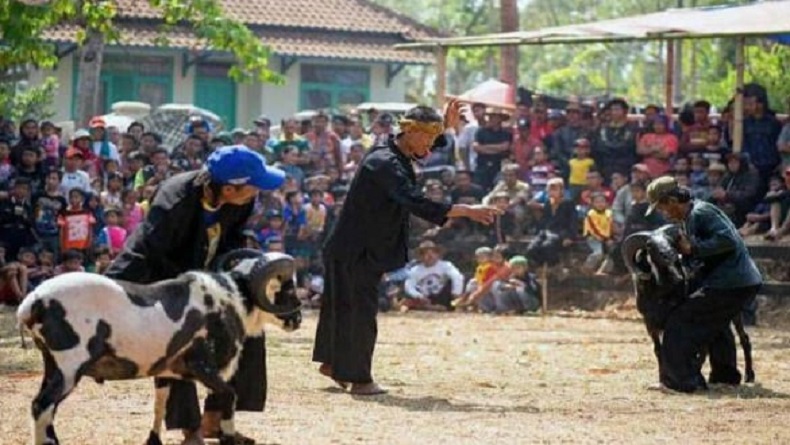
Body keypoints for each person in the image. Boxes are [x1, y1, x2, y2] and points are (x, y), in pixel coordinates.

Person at [312, 101, 502, 395]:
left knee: (346, 306)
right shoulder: (385, 162)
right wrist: (464, 209)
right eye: (426, 138)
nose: (430, 146)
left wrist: (446, 127)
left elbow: (429, 144)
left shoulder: (397, 150)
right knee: (359, 310)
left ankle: (334, 364)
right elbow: (413, 200)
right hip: (355, 247)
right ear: (409, 131)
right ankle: (360, 378)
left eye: (433, 138)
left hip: (354, 244)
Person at [105, 146, 285, 445]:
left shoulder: (240, 201)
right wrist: (198, 291)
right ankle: (191, 431)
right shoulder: (174, 201)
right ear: (229, 187)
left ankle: (216, 418)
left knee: (249, 327)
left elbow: (231, 240)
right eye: (254, 186)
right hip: (150, 276)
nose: (257, 193)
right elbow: (156, 253)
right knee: (182, 340)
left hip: (203, 275)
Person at [645, 176, 762, 393]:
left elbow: (728, 240)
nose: (663, 212)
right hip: (738, 281)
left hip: (731, 282)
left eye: (662, 206)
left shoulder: (701, 213)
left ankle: (680, 381)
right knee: (715, 324)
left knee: (681, 322)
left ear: (672, 200)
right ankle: (724, 377)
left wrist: (693, 248)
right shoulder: (692, 216)